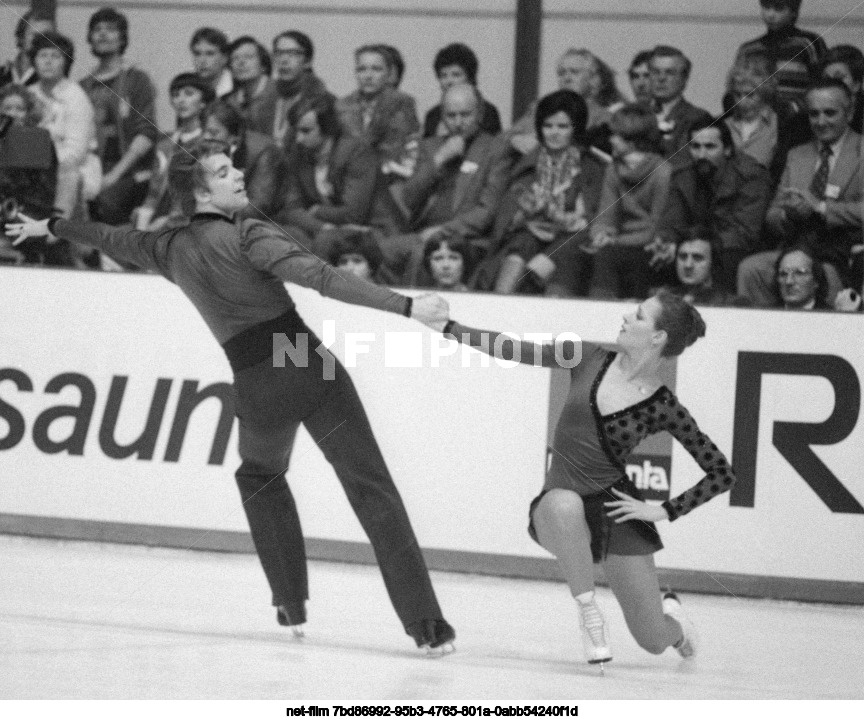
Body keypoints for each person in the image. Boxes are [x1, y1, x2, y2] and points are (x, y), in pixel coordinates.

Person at [6, 139, 456, 653]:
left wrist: (54, 226)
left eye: (234, 165)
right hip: (300, 360)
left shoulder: (167, 247)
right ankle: (427, 626)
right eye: (225, 172)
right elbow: (323, 278)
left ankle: (289, 605)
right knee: (373, 491)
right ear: (200, 191)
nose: (240, 174)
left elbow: (109, 236)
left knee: (260, 476)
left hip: (256, 382)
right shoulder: (248, 234)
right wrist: (405, 306)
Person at [431, 290, 735, 666]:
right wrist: (450, 328)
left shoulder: (662, 405)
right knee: (564, 502)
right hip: (557, 508)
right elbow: (513, 348)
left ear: (657, 337)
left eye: (639, 316)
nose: (626, 316)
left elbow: (721, 472)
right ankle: (589, 613)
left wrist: (664, 510)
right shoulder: (586, 355)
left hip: (615, 511)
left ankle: (676, 623)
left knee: (652, 639)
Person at [737, 78, 862, 305]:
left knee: (822, 275)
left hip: (840, 252)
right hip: (795, 247)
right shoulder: (797, 154)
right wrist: (787, 214)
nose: (821, 122)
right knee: (751, 269)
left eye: (830, 113)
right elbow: (772, 215)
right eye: (814, 114)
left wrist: (821, 207)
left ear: (850, 112)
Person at [484, 89, 605, 297]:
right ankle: (499, 305)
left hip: (571, 239)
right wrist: (523, 213)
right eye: (548, 126)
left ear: (575, 128)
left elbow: (592, 219)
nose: (554, 133)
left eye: (562, 126)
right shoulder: (526, 163)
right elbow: (505, 218)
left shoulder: (591, 167)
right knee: (518, 251)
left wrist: (551, 212)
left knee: (546, 264)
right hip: (529, 234)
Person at [388, 83, 510, 284]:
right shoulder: (430, 146)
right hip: (423, 231)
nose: (458, 122)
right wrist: (439, 159)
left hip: (466, 238)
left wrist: (443, 231)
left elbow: (486, 212)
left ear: (479, 114)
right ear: (442, 116)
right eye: (451, 116)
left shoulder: (495, 149)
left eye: (465, 115)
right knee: (378, 251)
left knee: (424, 253)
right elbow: (409, 198)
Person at [653, 119, 773, 292]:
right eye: (695, 147)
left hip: (734, 249)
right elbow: (672, 222)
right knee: (652, 258)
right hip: (693, 246)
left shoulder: (751, 176)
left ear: (727, 149)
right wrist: (667, 242)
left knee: (723, 260)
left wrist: (703, 246)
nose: (701, 155)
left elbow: (744, 234)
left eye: (710, 147)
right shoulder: (682, 176)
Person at [80, 7, 158, 227]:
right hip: (92, 170)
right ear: (90, 38)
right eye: (97, 29)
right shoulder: (83, 86)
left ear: (122, 37)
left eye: (111, 29)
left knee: (105, 203)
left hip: (130, 174)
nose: (103, 34)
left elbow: (147, 133)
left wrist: (113, 176)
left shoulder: (137, 79)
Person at [587, 104, 671, 299]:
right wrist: (601, 233)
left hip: (646, 244)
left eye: (615, 135)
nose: (610, 140)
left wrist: (616, 241)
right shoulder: (613, 170)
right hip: (618, 241)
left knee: (609, 258)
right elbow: (606, 215)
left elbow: (658, 226)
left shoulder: (662, 173)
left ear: (631, 141)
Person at [28, 31, 97, 222]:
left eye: (55, 56)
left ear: (65, 62)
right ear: (34, 61)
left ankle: (55, 231)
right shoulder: (28, 94)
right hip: (31, 167)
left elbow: (75, 153)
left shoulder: (76, 97)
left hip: (71, 170)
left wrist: (43, 164)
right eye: (43, 55)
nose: (48, 61)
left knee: (67, 177)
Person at [133, 72, 214, 231]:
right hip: (158, 213)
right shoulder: (165, 142)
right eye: (176, 95)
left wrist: (168, 221)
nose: (181, 100)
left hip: (190, 219)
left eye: (189, 94)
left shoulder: (208, 143)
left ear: (203, 101)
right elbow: (155, 190)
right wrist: (145, 211)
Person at [336, 45, 420, 178]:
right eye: (362, 69)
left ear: (388, 73)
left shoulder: (402, 104)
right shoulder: (342, 107)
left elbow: (409, 150)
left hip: (390, 179)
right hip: (350, 180)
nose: (368, 76)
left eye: (376, 69)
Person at [733, 1, 827, 112]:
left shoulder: (808, 43)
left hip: (800, 119)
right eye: (766, 7)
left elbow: (822, 85)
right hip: (758, 118)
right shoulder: (749, 50)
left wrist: (794, 108)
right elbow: (737, 88)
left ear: (793, 11)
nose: (770, 15)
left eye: (779, 8)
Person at [201, 100, 286, 223]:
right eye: (203, 131)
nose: (206, 137)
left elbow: (257, 208)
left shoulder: (264, 152)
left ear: (234, 137)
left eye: (213, 133)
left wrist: (209, 212)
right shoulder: (202, 148)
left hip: (267, 224)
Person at [269, 31, 334, 151]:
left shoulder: (324, 101)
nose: (284, 60)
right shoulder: (264, 99)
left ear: (308, 61)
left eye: (293, 53)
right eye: (279, 53)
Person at [422, 43, 502, 139]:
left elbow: (493, 148)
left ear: (470, 78)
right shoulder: (433, 115)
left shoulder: (488, 112)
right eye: (443, 76)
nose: (449, 81)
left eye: (456, 75)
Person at [648, 45, 713, 163]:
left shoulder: (698, 118)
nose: (661, 78)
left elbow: (687, 161)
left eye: (670, 73)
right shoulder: (633, 114)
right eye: (655, 72)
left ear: (684, 78)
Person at [658, 232, 751, 306]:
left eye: (697, 258)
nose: (688, 265)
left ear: (713, 263)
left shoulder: (733, 304)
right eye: (683, 257)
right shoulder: (662, 300)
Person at [0, 11, 55, 89]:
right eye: (35, 35)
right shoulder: (3, 74)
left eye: (46, 37)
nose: (40, 40)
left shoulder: (53, 81)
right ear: (21, 37)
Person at [774, 240, 832, 309]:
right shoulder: (765, 314)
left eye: (799, 273)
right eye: (783, 274)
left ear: (816, 281)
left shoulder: (832, 316)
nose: (789, 281)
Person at [190, 27, 233, 99]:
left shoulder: (238, 89)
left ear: (225, 58)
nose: (202, 61)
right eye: (197, 54)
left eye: (210, 54)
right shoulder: (189, 87)